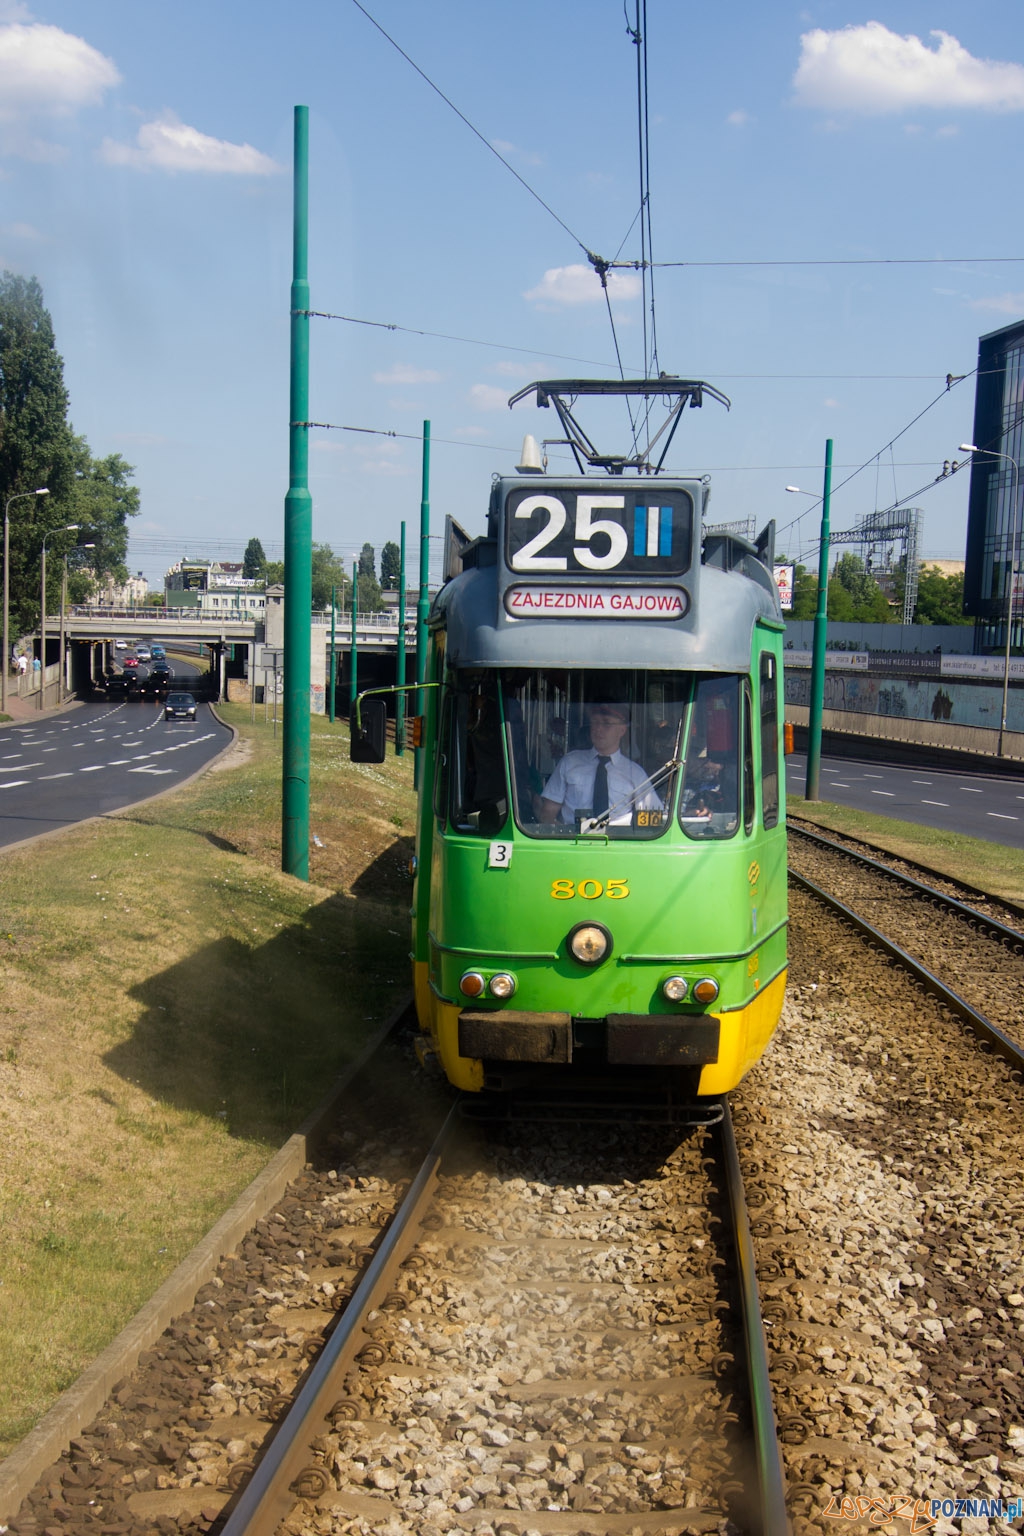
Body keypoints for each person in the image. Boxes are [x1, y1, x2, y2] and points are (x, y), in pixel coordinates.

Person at [539, 702, 661, 827]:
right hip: (575, 839)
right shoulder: (569, 763)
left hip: (619, 841)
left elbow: (652, 819)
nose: (598, 729)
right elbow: (548, 812)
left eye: (607, 723)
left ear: (622, 730)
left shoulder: (634, 773)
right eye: (595, 722)